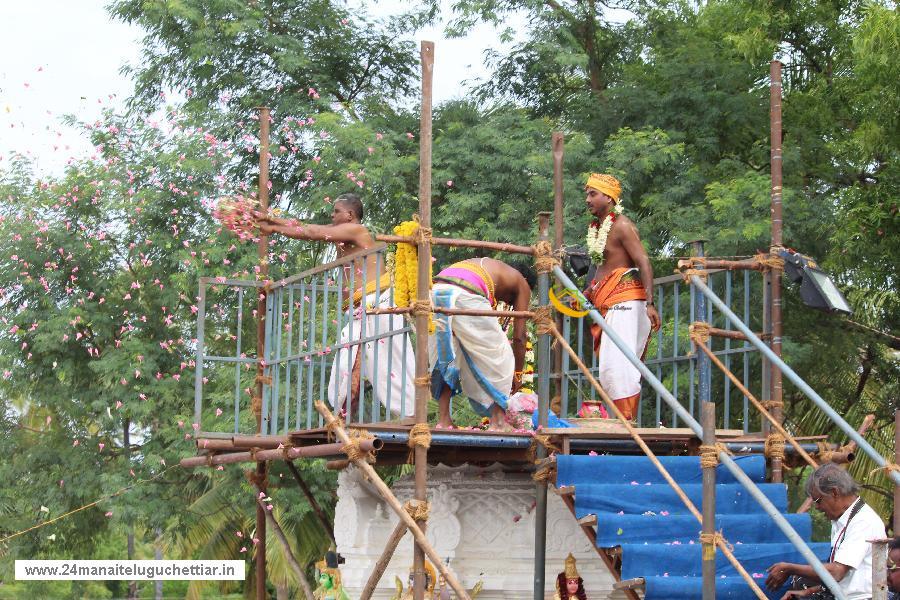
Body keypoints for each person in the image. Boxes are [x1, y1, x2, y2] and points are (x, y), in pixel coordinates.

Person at [257, 193, 415, 418]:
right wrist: (270, 220)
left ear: (350, 215)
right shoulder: (344, 234)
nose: (332, 216)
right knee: (346, 361)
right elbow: (309, 227)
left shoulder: (357, 230)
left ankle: (410, 416)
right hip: (362, 309)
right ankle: (343, 415)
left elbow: (312, 232)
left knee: (391, 360)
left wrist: (272, 227)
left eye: (336, 211)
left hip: (378, 303)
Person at [581, 173, 660, 420]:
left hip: (627, 301)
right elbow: (603, 266)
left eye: (592, 194)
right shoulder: (596, 228)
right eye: (587, 193)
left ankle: (626, 424)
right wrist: (589, 290)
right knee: (608, 368)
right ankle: (620, 421)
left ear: (609, 197)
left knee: (620, 366)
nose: (587, 199)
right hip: (608, 302)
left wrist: (650, 302)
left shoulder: (622, 224)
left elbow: (643, 261)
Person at [429, 257, 534, 431]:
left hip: (436, 290)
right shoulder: (521, 283)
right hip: (466, 292)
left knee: (448, 354)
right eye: (510, 302)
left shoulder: (491, 267)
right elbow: (520, 337)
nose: (509, 304)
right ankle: (498, 420)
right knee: (502, 356)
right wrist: (517, 373)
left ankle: (444, 421)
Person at [766, 463, 886, 599]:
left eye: (818, 500)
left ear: (834, 493)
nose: (817, 507)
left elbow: (837, 573)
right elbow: (846, 580)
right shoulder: (843, 519)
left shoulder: (863, 521)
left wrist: (790, 568)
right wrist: (808, 592)